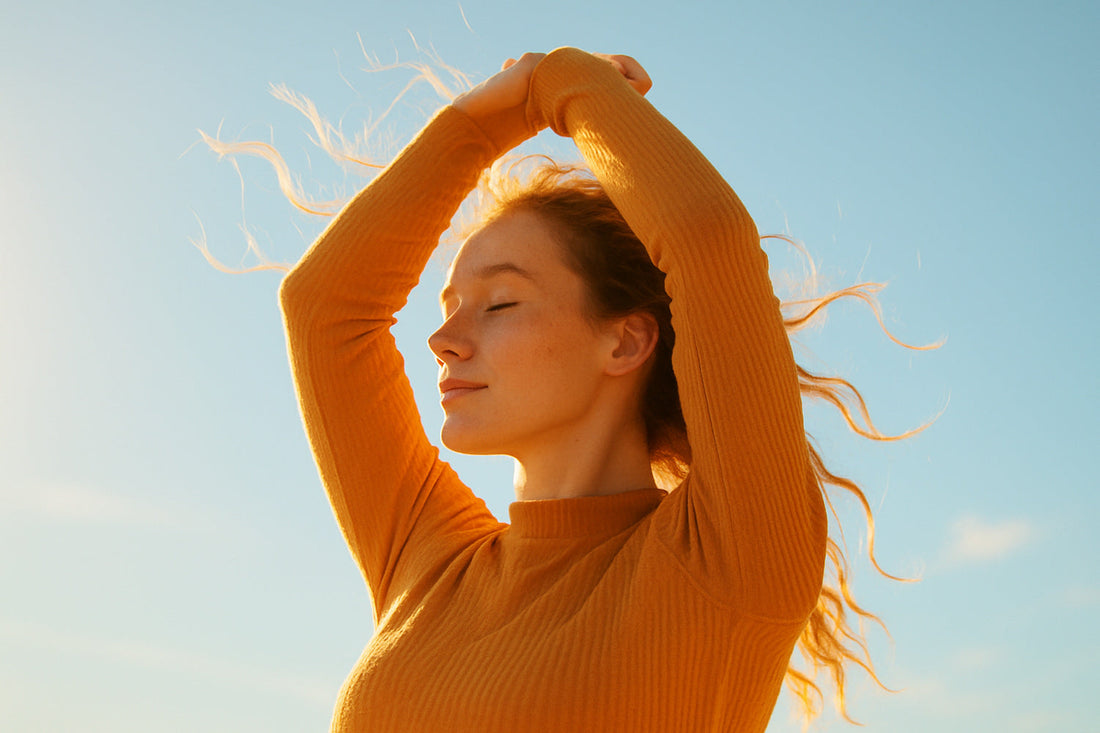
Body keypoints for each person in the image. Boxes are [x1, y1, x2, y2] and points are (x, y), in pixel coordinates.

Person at [277, 47, 886, 732]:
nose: (443, 338)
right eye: (449, 307)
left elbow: (708, 241)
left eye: (499, 303)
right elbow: (322, 307)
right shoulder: (430, 560)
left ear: (624, 342)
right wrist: (482, 123)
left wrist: (561, 79)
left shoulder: (725, 556)